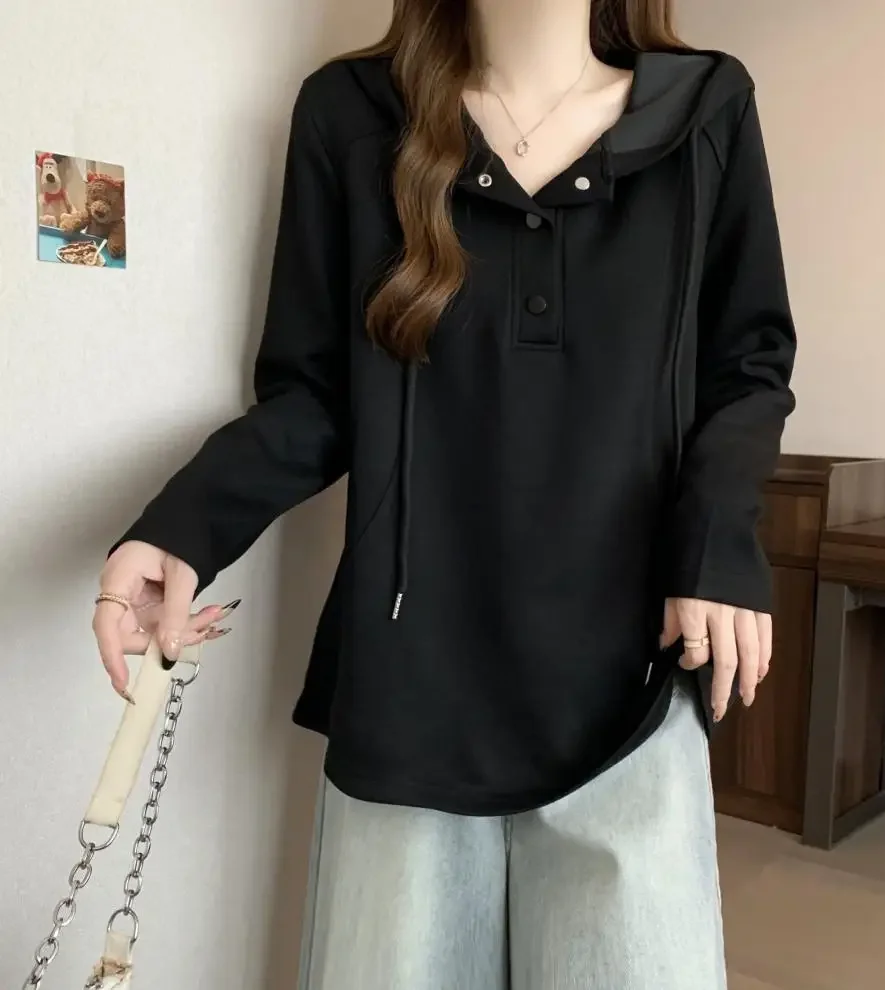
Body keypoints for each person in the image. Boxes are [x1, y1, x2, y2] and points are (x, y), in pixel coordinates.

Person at [93, 0, 796, 986]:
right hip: (411, 685)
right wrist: (184, 529)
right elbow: (315, 396)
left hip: (632, 680)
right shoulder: (349, 115)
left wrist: (718, 540)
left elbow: (747, 369)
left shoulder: (704, 111)